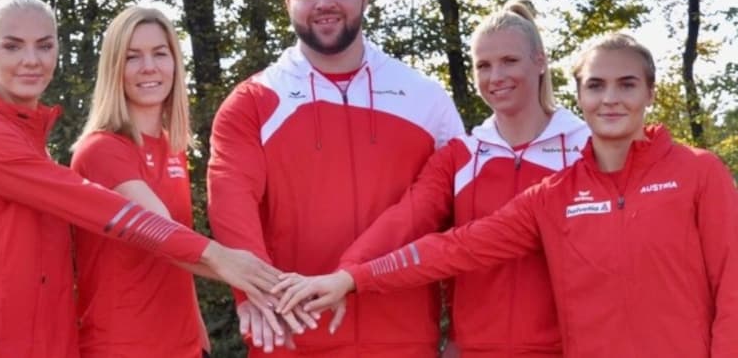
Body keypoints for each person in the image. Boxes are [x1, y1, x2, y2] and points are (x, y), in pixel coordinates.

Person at [275, 32, 738, 358]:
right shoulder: (554, 195)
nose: (610, 99)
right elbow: (454, 248)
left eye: (627, 84)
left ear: (651, 92)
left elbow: (732, 285)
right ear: (579, 94)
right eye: (596, 85)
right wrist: (352, 278)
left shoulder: (698, 172)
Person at [0, 0, 280, 358]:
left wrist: (192, 326)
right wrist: (225, 261)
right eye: (12, 46)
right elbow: (114, 213)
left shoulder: (29, 137)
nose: (31, 60)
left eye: (44, 45)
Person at [206, 0, 465, 357]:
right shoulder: (253, 101)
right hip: (292, 338)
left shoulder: (427, 99)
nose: (325, 2)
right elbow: (233, 204)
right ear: (288, 0)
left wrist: (459, 329)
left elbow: (457, 216)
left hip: (403, 342)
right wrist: (256, 294)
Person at [336, 0, 589, 358]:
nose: (496, 76)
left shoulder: (586, 149)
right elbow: (406, 219)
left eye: (509, 61)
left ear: (540, 61)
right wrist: (347, 271)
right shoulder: (460, 155)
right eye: (483, 65)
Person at [70, 6, 211, 357]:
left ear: (175, 63)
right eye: (133, 57)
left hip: (183, 347)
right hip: (123, 347)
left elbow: (182, 260)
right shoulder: (101, 150)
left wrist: (202, 342)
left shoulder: (173, 149)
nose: (149, 67)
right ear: (115, 69)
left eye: (160, 53)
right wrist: (262, 278)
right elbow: (169, 239)